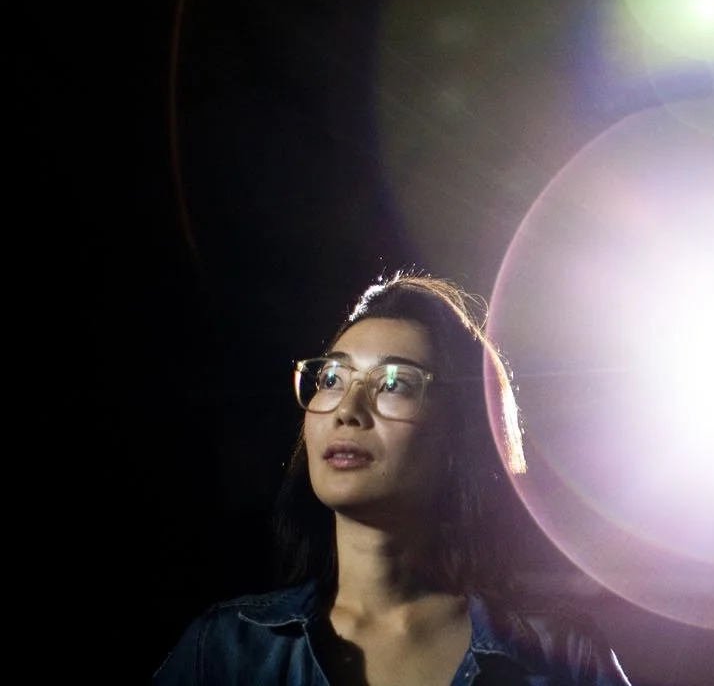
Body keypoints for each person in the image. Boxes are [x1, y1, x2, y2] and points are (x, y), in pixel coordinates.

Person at [155, 272, 632, 685]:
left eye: (394, 384)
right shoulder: (227, 648)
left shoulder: (560, 656)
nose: (348, 410)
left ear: (460, 432)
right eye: (331, 380)